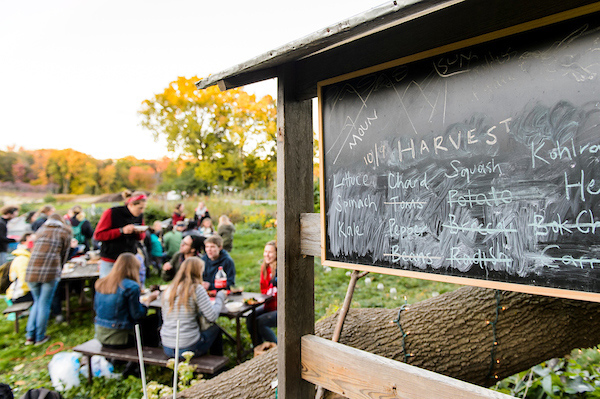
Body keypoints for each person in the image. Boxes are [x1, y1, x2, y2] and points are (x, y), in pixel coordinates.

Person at [160, 257, 227, 359]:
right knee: (215, 329)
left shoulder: (169, 289)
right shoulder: (196, 289)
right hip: (187, 348)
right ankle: (218, 366)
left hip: (167, 346)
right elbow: (212, 316)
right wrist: (220, 297)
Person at [94, 253, 159, 348]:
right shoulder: (131, 286)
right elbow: (137, 315)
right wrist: (148, 301)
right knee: (154, 319)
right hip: (120, 337)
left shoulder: (102, 283)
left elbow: (96, 308)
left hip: (101, 334)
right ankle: (145, 356)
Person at [24, 214, 71, 345]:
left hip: (32, 271)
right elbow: (64, 254)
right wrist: (60, 268)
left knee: (37, 302)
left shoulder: (40, 230)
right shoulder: (64, 232)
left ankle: (29, 336)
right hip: (50, 271)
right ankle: (40, 337)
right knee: (44, 303)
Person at [93, 190, 147, 278]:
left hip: (130, 258)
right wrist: (121, 231)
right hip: (111, 259)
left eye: (143, 208)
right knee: (108, 288)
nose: (142, 211)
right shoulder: (112, 213)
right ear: (131, 204)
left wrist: (138, 232)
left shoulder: (139, 216)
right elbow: (98, 235)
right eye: (140, 208)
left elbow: (141, 237)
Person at [247, 240, 278, 345]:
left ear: (277, 254)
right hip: (269, 304)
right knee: (250, 318)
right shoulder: (265, 268)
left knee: (261, 322)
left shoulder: (280, 269)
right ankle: (258, 348)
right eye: (265, 251)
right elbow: (263, 290)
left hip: (280, 307)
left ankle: (276, 347)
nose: (267, 255)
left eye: (270, 252)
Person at [6, 233, 34, 304]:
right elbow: (24, 280)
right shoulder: (22, 258)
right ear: (23, 243)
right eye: (31, 241)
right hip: (19, 294)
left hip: (21, 291)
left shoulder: (26, 256)